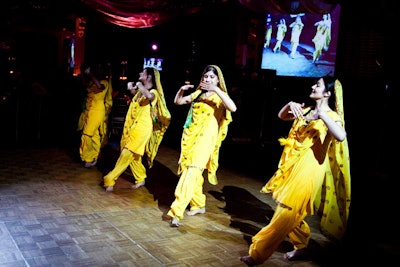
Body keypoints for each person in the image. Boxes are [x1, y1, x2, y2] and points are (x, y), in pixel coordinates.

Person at [240, 76, 351, 266]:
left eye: (318, 85)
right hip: (292, 167)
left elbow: (341, 135)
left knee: (286, 212)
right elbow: (282, 116)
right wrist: (289, 105)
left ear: (327, 93)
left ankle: (258, 253)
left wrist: (322, 115)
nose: (313, 86)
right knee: (294, 212)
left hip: (309, 171)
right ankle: (301, 245)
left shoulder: (332, 117)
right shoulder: (305, 110)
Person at [167, 65, 237, 227]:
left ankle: (176, 211)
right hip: (191, 137)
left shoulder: (220, 95)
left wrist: (216, 89)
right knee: (192, 171)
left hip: (206, 139)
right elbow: (178, 101)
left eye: (211, 77)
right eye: (206, 77)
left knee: (192, 171)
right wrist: (181, 90)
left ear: (218, 80)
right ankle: (198, 204)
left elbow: (233, 108)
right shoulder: (198, 94)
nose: (207, 80)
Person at [103, 63, 171, 192]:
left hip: (142, 129)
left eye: (143, 73)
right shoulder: (141, 91)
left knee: (127, 153)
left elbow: (150, 97)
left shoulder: (154, 92)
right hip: (134, 127)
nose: (140, 74)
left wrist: (139, 86)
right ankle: (140, 178)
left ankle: (110, 179)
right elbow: (138, 100)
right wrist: (132, 90)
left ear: (149, 77)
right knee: (134, 156)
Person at [77, 62, 113, 168]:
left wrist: (90, 74)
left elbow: (100, 87)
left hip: (97, 111)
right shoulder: (92, 82)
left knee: (87, 134)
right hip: (90, 110)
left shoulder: (104, 82)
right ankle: (94, 157)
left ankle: (88, 158)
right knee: (94, 135)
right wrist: (85, 73)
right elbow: (86, 85)